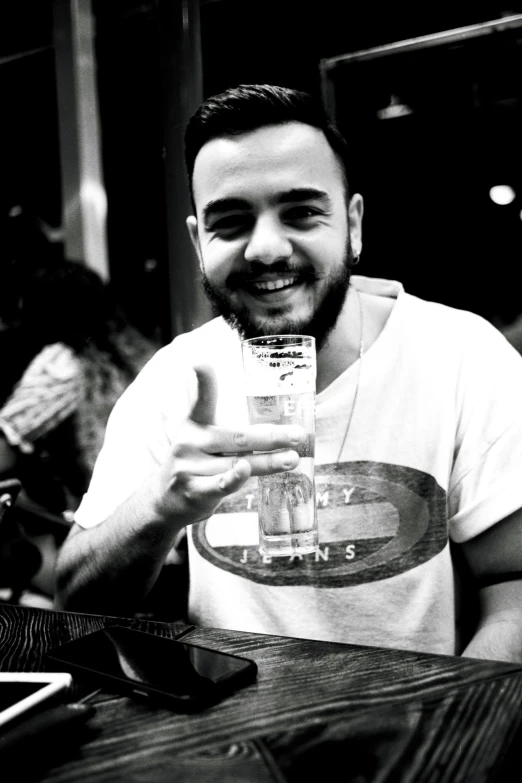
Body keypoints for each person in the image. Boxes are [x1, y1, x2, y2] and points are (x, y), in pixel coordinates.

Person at [55, 84, 522, 662]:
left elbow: (513, 587)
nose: (266, 248)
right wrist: (160, 506)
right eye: (230, 221)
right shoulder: (175, 378)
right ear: (199, 242)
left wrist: (448, 738)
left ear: (352, 225)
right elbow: (75, 600)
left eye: (300, 212)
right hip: (228, 742)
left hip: (422, 734)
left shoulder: (460, 354)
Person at [0, 258, 158, 599]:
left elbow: (1, 457)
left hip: (92, 543)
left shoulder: (60, 365)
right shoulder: (141, 354)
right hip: (156, 539)